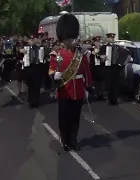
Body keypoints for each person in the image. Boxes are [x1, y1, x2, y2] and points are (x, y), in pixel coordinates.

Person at [48, 13, 92, 151]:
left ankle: (73, 140)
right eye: (68, 39)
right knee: (64, 119)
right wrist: (54, 75)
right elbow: (51, 70)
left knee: (75, 118)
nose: (71, 41)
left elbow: (87, 72)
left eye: (72, 38)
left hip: (78, 90)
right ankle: (65, 140)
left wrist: (87, 88)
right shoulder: (57, 55)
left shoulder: (81, 54)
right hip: (64, 90)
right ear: (63, 39)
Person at [21, 35, 45, 108]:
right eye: (31, 39)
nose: (32, 41)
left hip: (37, 67)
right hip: (29, 68)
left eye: (34, 39)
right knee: (30, 86)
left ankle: (36, 101)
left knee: (37, 85)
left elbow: (44, 55)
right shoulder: (26, 47)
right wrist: (21, 51)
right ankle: (31, 102)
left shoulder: (40, 47)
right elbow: (20, 51)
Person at [90, 36, 107, 100]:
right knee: (96, 81)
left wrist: (102, 57)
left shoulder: (102, 49)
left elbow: (105, 56)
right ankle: (98, 93)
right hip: (95, 67)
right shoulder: (91, 49)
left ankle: (102, 94)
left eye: (98, 41)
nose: (98, 43)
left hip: (101, 66)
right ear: (94, 42)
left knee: (102, 81)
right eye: (96, 42)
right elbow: (90, 59)